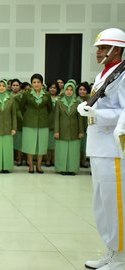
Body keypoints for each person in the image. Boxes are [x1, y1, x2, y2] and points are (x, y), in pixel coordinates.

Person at [77, 28, 125, 270]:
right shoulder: (105, 75)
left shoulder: (123, 76)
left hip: (113, 149)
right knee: (102, 203)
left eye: (104, 48)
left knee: (116, 203)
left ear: (117, 49)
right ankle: (111, 250)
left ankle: (121, 257)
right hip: (98, 147)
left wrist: (98, 114)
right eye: (99, 48)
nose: (99, 52)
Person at [18, 74, 52, 174]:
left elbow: (50, 108)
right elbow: (21, 107)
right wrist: (27, 116)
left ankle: (39, 165)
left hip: (43, 123)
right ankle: (31, 166)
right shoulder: (27, 94)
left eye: (38, 82)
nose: (36, 84)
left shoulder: (47, 95)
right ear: (32, 84)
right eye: (34, 82)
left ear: (42, 83)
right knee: (30, 144)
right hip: (29, 122)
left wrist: (44, 115)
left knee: (41, 145)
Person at [54, 82, 83, 175]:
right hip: (62, 130)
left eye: (71, 90)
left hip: (74, 130)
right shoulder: (59, 102)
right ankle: (62, 168)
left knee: (73, 151)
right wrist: (56, 131)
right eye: (67, 89)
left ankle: (72, 169)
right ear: (64, 90)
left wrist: (81, 131)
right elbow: (56, 118)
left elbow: (80, 118)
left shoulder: (78, 102)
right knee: (62, 150)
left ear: (74, 91)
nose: (69, 92)